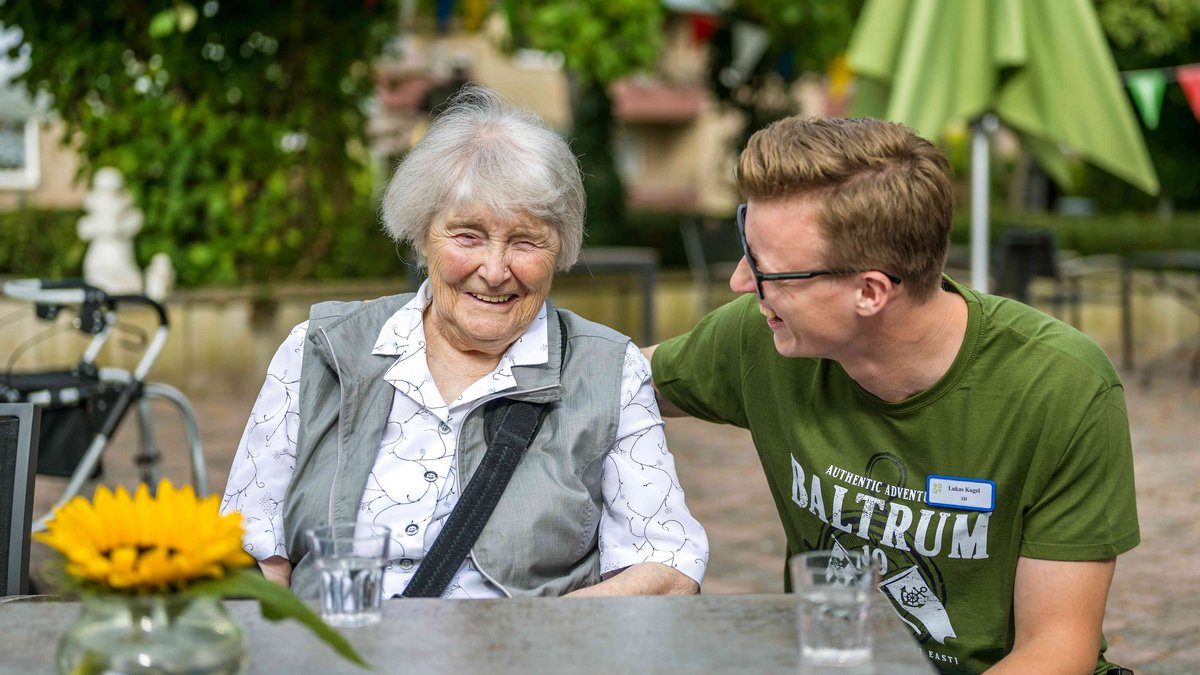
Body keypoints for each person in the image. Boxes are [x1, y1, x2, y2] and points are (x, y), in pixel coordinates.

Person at [645, 117, 1138, 673]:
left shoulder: (1062, 387)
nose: (741, 282)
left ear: (870, 291)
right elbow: (613, 384)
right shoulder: (762, 333)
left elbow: (1056, 647)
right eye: (747, 250)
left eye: (767, 269)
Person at [221, 85, 708, 599]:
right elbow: (253, 556)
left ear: (559, 246)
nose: (494, 271)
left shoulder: (610, 370)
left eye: (525, 241)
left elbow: (667, 567)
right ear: (421, 233)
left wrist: (529, 644)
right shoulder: (320, 352)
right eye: (468, 236)